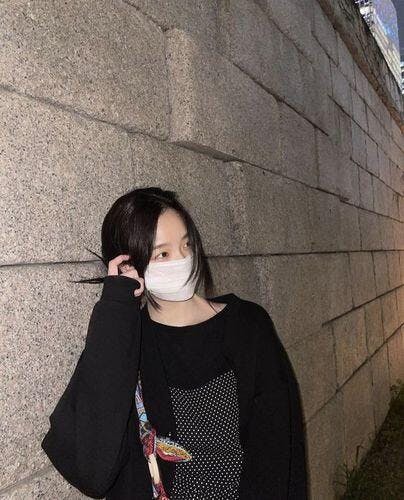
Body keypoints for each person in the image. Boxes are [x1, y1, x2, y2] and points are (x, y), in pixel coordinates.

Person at [41, 187, 308, 499]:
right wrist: (116, 304)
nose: (183, 259)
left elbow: (280, 452)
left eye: (186, 244)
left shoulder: (248, 326)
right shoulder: (124, 341)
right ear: (129, 265)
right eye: (163, 254)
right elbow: (92, 472)